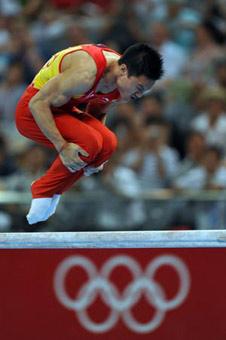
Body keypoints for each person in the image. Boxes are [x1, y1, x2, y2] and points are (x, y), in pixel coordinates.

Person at [15, 43, 163, 224]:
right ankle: (42, 190)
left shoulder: (119, 83)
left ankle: (54, 191)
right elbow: (37, 104)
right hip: (32, 112)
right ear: (124, 70)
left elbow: (97, 111)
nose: (139, 95)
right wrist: (62, 146)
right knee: (90, 142)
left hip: (63, 110)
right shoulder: (86, 72)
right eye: (139, 88)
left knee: (108, 143)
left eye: (144, 91)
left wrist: (96, 157)